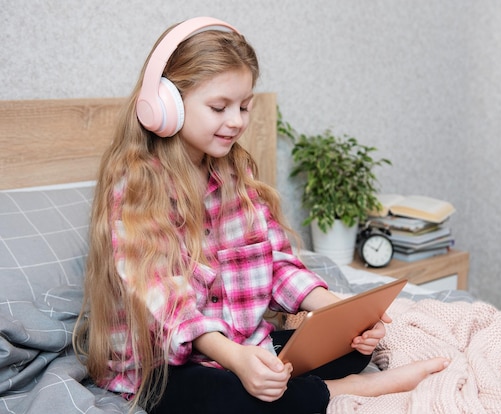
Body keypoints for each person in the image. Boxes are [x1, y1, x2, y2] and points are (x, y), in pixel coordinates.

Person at [73, 16, 449, 414]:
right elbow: (165, 305)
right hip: (166, 366)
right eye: (219, 107)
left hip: (245, 347)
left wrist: (339, 314)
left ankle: (319, 378)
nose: (236, 121)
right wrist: (235, 359)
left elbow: (278, 265)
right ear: (164, 106)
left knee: (346, 348)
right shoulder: (136, 186)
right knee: (222, 398)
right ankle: (347, 389)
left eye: (244, 106)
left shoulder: (237, 172)